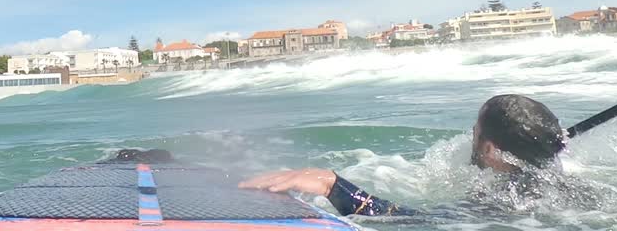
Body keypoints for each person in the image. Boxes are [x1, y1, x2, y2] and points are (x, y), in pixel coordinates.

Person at [238, 94, 567, 218]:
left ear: (491, 150)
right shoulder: (560, 185)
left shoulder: (505, 202)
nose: (471, 134)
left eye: (476, 131)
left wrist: (332, 185)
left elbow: (413, 219)